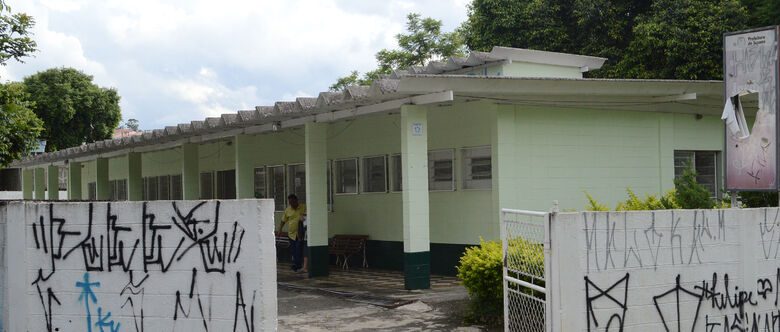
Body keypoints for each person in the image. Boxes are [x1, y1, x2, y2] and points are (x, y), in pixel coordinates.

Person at [278, 194, 306, 272]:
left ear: (296, 201)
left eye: (293, 202)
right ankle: (295, 264)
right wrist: (280, 229)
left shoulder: (303, 207)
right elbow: (283, 221)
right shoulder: (288, 210)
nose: (292, 204)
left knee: (298, 249)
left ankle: (297, 265)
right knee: (293, 250)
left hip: (300, 233)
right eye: (290, 202)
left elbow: (308, 215)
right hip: (291, 234)